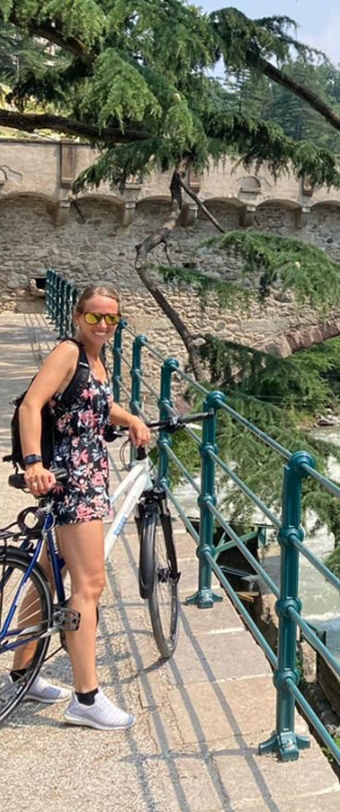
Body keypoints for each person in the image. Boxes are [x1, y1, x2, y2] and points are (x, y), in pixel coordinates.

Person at [11, 285, 152, 730]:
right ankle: (86, 698)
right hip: (73, 481)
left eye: (111, 318)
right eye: (94, 317)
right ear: (77, 316)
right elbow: (31, 406)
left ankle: (22, 673)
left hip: (86, 475)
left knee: (51, 573)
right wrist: (33, 462)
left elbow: (98, 406)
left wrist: (130, 418)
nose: (103, 324)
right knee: (90, 585)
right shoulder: (68, 353)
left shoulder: (96, 360)